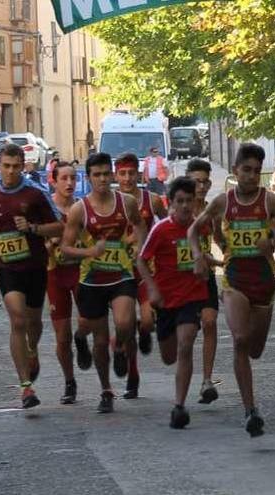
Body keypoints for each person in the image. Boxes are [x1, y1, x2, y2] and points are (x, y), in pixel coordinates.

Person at [191, 144, 275, 435]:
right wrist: (200, 255)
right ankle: (250, 410)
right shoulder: (222, 202)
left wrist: (273, 244)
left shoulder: (271, 202)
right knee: (239, 339)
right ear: (235, 171)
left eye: (255, 171)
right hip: (234, 280)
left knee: (256, 349)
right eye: (245, 170)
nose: (250, 176)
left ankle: (250, 400)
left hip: (263, 282)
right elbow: (192, 230)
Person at [0, 144, 64, 409]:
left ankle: (32, 350)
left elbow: (60, 224)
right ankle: (26, 387)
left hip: (35, 266)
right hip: (6, 267)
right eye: (6, 166)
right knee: (17, 319)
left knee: (34, 322)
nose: (11, 172)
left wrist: (34, 227)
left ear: (23, 165)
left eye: (16, 166)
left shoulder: (36, 194)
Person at [61, 152, 146, 413]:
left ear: (111, 175)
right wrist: (89, 253)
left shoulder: (127, 202)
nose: (102, 179)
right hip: (92, 279)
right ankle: (106, 389)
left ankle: (120, 346)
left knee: (124, 322)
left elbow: (140, 225)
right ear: (89, 178)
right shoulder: (79, 210)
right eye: (96, 175)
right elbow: (65, 248)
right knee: (98, 340)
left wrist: (138, 247)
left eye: (105, 174)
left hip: (121, 273)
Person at [136, 177, 208, 428]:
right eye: (180, 201)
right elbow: (142, 260)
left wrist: (207, 262)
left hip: (192, 297)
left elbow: (216, 244)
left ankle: (179, 406)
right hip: (166, 300)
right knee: (168, 357)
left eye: (190, 201)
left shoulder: (200, 227)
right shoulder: (161, 230)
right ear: (171, 203)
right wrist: (152, 289)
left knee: (186, 345)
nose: (186, 206)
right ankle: (147, 326)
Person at [115, 153, 167, 398]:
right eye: (122, 173)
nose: (127, 178)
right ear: (117, 175)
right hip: (119, 271)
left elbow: (167, 226)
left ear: (139, 174)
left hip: (146, 270)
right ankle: (133, 377)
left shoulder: (152, 200)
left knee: (146, 320)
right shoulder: (110, 201)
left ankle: (144, 329)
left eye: (131, 173)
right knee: (122, 330)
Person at [46, 162, 91, 404]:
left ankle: (81, 338)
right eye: (64, 178)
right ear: (54, 180)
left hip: (80, 272)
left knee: (87, 321)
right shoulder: (46, 210)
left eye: (73, 178)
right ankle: (69, 381)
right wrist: (49, 242)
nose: (69, 183)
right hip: (55, 274)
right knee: (61, 337)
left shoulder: (82, 208)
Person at [185, 158, 223, 403]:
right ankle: (184, 379)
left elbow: (219, 238)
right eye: (195, 181)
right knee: (185, 336)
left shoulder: (212, 211)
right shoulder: (177, 209)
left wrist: (234, 254)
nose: (200, 186)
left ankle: (207, 380)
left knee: (210, 322)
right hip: (181, 280)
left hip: (205, 277)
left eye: (204, 181)